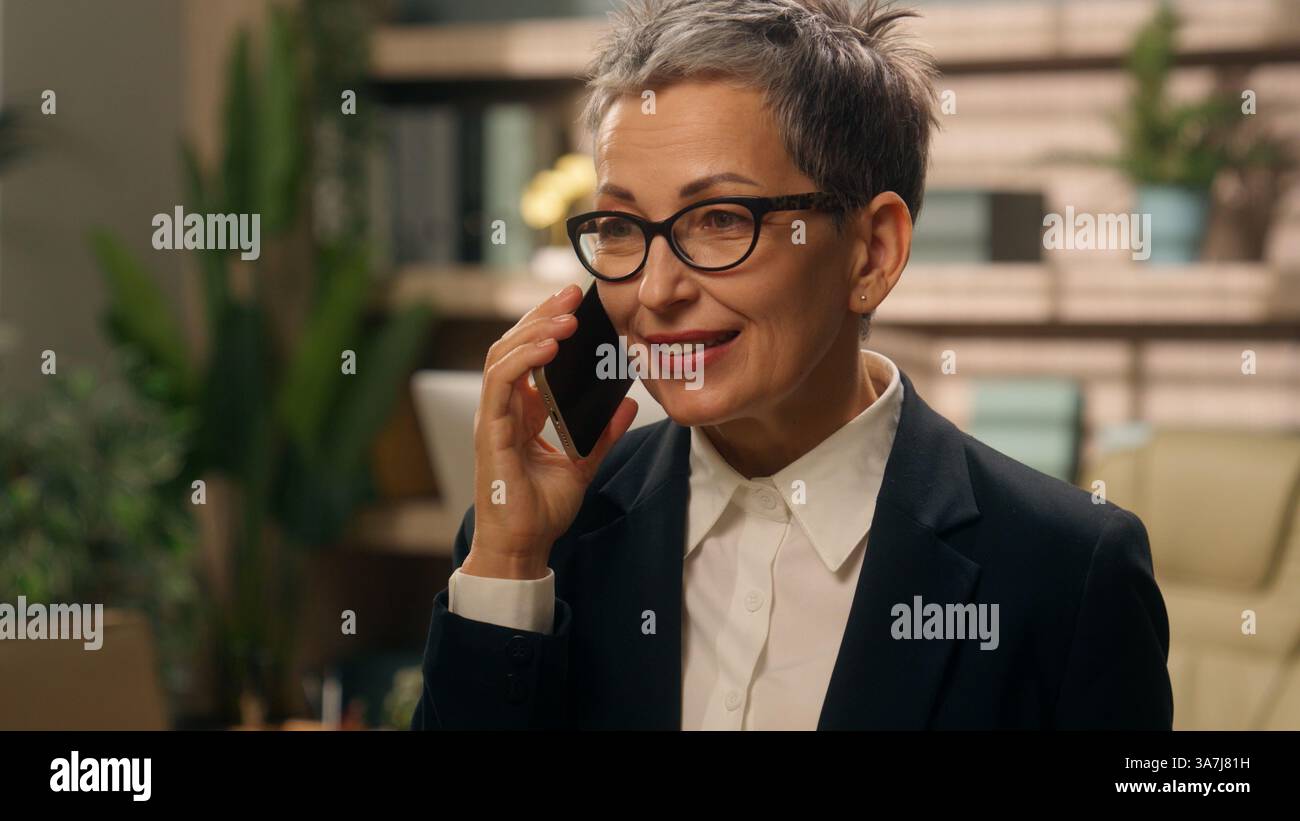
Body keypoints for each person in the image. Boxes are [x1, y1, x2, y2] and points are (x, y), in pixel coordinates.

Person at [411, 0, 1172, 730]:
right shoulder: (537, 544)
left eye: (719, 220)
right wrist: (509, 562)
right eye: (619, 226)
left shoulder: (1066, 574)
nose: (654, 290)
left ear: (872, 251)